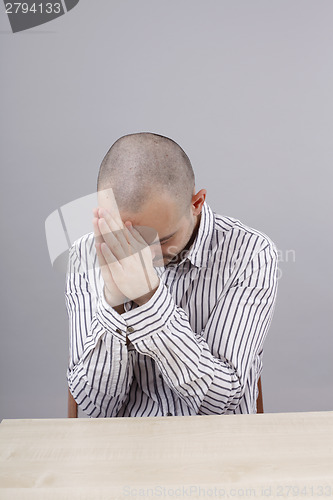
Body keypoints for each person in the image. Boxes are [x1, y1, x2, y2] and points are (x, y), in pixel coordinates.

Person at [65, 132, 278, 417]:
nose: (144, 258)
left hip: (218, 449)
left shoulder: (251, 253)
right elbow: (95, 406)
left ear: (197, 203)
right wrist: (114, 304)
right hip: (123, 450)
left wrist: (150, 298)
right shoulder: (86, 254)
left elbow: (222, 402)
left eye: (162, 239)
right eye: (127, 241)